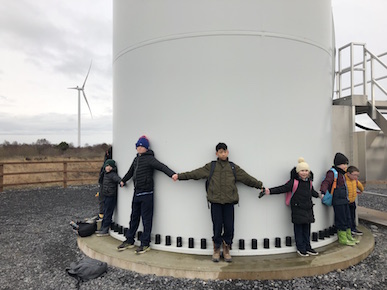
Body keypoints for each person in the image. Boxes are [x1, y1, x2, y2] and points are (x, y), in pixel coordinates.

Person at [172, 142, 263, 263]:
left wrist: (259, 185)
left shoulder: (233, 167)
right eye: (221, 152)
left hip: (229, 202)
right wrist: (179, 176)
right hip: (215, 202)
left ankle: (226, 248)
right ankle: (216, 248)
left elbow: (247, 178)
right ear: (217, 153)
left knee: (229, 226)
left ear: (228, 152)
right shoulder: (211, 166)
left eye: (225, 151)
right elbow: (195, 173)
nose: (223, 154)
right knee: (217, 226)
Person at [117, 136, 176, 254]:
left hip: (147, 194)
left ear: (146, 148)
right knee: (133, 218)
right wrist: (123, 180)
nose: (139, 148)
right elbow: (130, 172)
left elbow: (162, 166)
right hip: (136, 192)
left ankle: (145, 244)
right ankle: (129, 240)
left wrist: (172, 174)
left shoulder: (150, 159)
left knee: (146, 220)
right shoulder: (136, 160)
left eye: (141, 146)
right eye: (138, 146)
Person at [264, 157, 321, 257]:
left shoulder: (309, 182)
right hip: (297, 209)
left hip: (308, 208)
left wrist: (319, 195)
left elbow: (312, 192)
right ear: (298, 172)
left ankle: (308, 247)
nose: (304, 173)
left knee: (307, 229)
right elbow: (283, 188)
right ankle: (301, 248)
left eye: (306, 170)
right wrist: (270, 191)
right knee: (298, 229)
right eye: (302, 170)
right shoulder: (293, 182)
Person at [320, 152, 358, 246]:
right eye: (343, 164)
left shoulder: (342, 174)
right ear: (338, 164)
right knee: (341, 219)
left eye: (346, 164)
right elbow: (326, 182)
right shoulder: (333, 173)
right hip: (338, 201)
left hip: (344, 199)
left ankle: (349, 236)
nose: (345, 166)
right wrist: (323, 191)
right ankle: (343, 238)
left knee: (347, 218)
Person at [95, 159, 122, 237]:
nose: (108, 168)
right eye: (107, 166)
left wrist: (121, 182)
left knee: (108, 213)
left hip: (111, 196)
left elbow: (117, 178)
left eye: (110, 166)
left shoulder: (112, 174)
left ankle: (105, 229)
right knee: (105, 211)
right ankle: (103, 227)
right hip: (105, 195)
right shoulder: (104, 174)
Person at [345, 165, 364, 236]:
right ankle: (349, 231)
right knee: (347, 217)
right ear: (348, 174)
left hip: (352, 201)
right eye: (354, 175)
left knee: (352, 216)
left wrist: (361, 190)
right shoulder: (344, 180)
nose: (356, 177)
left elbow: (360, 186)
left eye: (357, 175)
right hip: (346, 202)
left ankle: (353, 229)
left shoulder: (355, 181)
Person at [96, 147, 112, 221]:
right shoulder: (108, 160)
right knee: (102, 198)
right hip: (103, 181)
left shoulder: (109, 161)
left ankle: (102, 215)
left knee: (102, 199)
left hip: (105, 182)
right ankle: (102, 215)